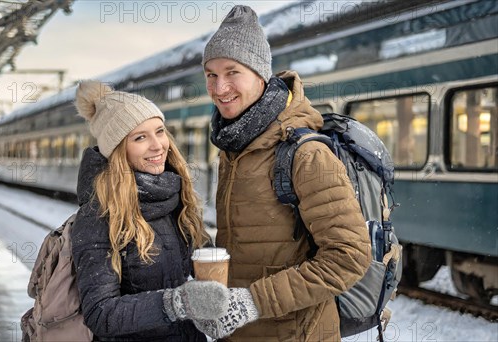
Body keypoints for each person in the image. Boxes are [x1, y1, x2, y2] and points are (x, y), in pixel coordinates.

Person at [193, 5, 372, 341]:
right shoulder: (234, 148)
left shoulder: (306, 154)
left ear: (261, 75)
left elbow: (349, 257)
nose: (219, 88)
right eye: (211, 75)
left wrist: (253, 302)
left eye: (232, 72)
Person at [71, 81, 233, 341]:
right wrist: (176, 303)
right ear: (117, 151)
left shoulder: (176, 198)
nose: (158, 145)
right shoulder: (99, 215)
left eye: (159, 131)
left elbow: (202, 268)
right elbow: (101, 313)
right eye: (140, 137)